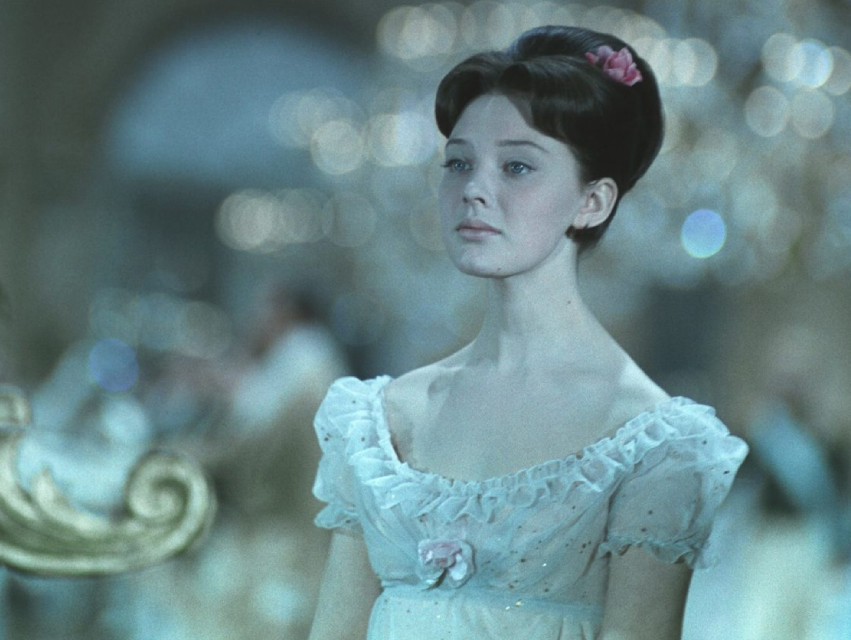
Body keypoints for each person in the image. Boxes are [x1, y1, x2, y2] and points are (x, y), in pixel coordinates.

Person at [306, 25, 748, 640]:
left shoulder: (652, 444)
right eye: (459, 163)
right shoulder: (382, 421)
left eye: (517, 166)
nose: (474, 191)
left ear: (592, 202)